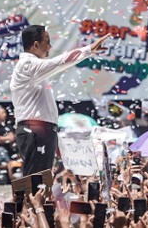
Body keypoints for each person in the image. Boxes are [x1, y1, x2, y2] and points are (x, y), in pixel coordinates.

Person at [11, 25, 110, 175]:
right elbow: (58, 63)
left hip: (40, 130)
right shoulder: (27, 65)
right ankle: (26, 199)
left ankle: (31, 199)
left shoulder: (33, 68)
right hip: (34, 130)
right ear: (36, 44)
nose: (50, 46)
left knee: (40, 182)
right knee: (35, 181)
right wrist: (88, 49)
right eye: (47, 41)